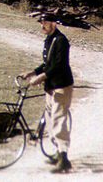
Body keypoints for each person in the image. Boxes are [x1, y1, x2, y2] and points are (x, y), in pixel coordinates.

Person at [20, 13, 74, 173]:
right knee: (50, 120)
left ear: (54, 23)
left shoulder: (61, 41)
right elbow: (47, 63)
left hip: (61, 86)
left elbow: (58, 65)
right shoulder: (49, 40)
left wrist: (41, 77)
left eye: (45, 22)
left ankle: (64, 159)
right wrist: (32, 72)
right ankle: (58, 153)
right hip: (50, 86)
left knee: (58, 121)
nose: (42, 25)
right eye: (41, 22)